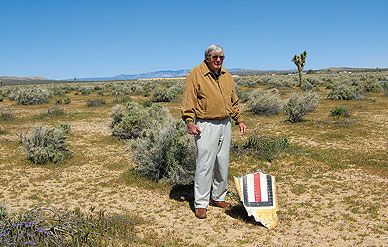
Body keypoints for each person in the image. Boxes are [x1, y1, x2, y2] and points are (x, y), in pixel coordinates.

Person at [181, 44, 247, 219]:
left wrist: (239, 119)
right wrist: (189, 121)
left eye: (221, 57)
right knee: (204, 164)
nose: (218, 60)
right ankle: (201, 203)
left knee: (222, 162)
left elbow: (233, 101)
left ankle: (218, 197)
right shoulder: (195, 74)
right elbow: (189, 101)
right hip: (205, 124)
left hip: (225, 123)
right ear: (207, 58)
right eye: (215, 57)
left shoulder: (227, 76)